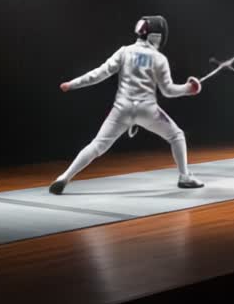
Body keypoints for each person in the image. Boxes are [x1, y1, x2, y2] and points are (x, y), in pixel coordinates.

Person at [50, 15, 204, 194]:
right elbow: (168, 91)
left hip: (121, 109)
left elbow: (99, 73)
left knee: (97, 145)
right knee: (176, 135)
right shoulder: (159, 58)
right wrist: (188, 88)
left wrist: (72, 84)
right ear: (158, 36)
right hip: (147, 110)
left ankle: (64, 177)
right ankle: (184, 177)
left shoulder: (124, 51)